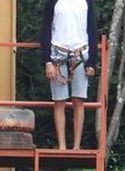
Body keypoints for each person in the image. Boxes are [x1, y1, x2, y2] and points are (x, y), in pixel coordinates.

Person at [39, 0, 97, 151]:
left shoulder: (86, 2)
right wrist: (47, 61)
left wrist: (92, 62)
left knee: (79, 100)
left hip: (80, 52)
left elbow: (92, 30)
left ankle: (77, 146)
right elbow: (45, 30)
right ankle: (62, 146)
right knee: (59, 101)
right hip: (58, 53)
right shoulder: (53, 1)